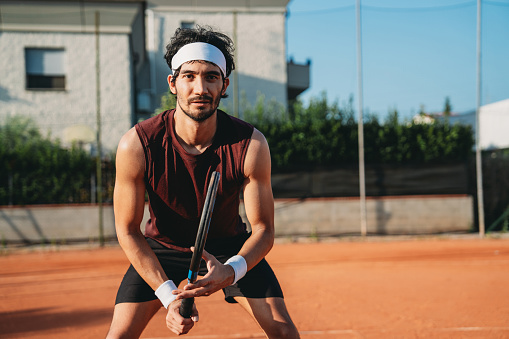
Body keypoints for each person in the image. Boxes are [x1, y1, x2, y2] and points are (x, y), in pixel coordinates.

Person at [106, 26, 300, 339]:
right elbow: (128, 230)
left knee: (284, 332)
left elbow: (264, 230)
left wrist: (233, 269)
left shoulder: (250, 145)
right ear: (173, 83)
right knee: (118, 336)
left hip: (229, 248)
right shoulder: (137, 144)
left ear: (224, 85)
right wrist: (169, 297)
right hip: (162, 248)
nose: (200, 88)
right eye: (189, 76)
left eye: (211, 77)